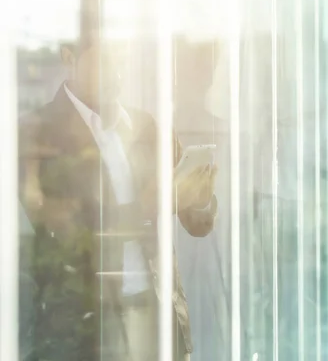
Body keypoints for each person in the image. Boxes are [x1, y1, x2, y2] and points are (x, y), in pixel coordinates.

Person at [18, 25, 217, 361]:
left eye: (122, 58)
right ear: (70, 58)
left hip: (156, 318)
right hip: (83, 327)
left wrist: (200, 197)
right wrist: (146, 207)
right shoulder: (37, 132)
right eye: (106, 60)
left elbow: (198, 224)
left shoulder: (147, 127)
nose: (118, 72)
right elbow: (62, 229)